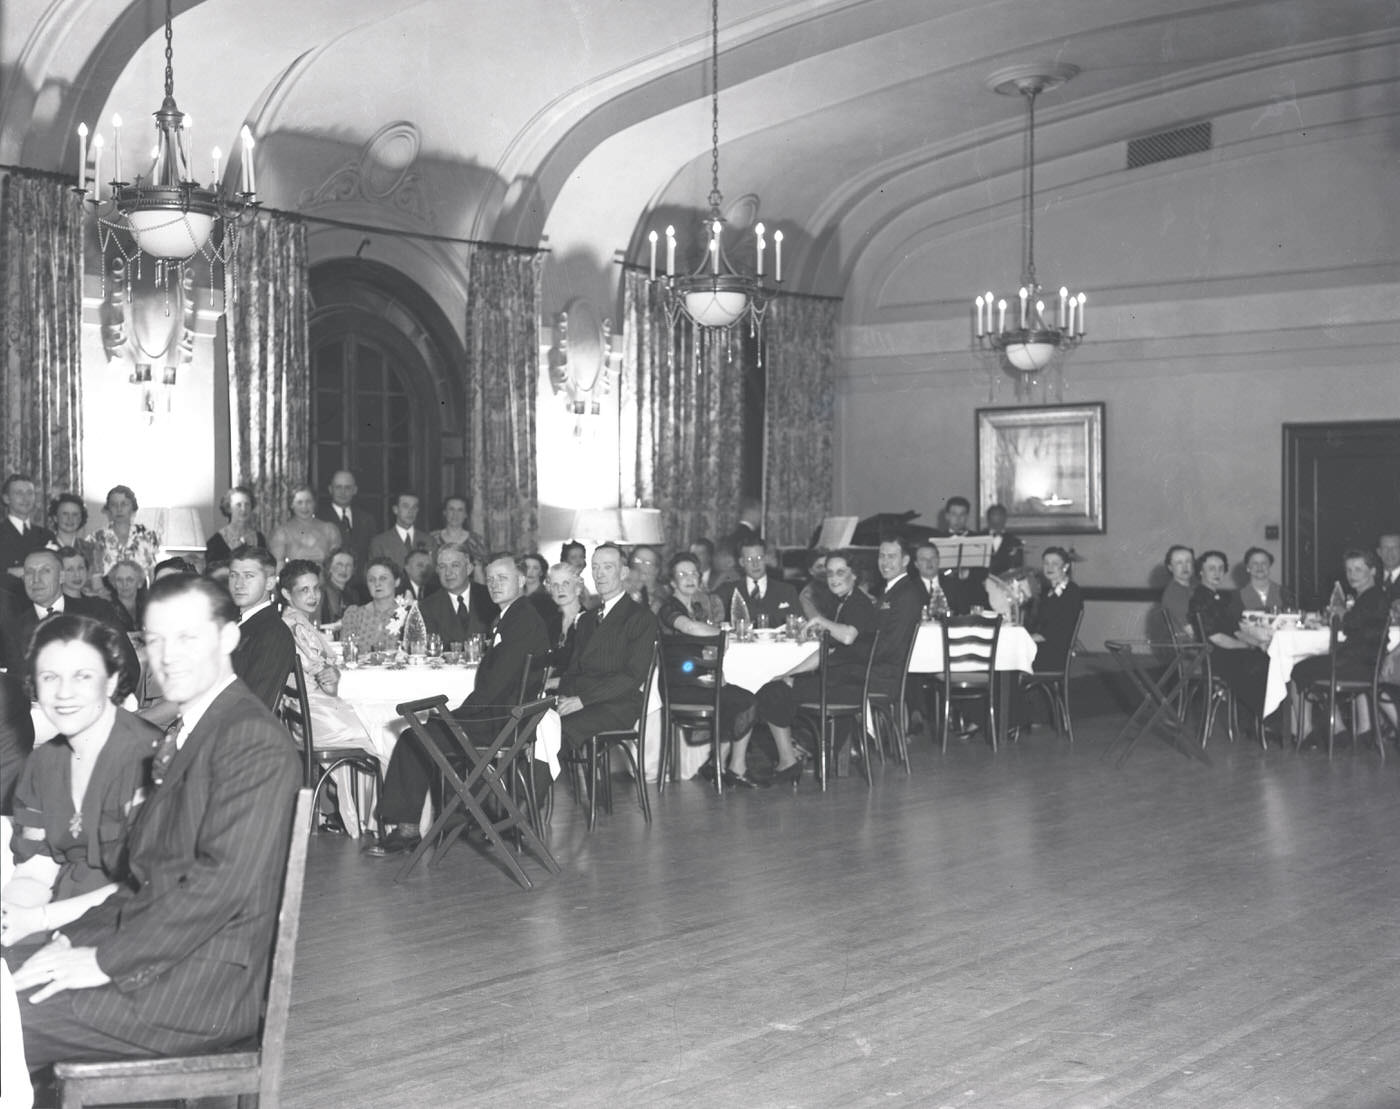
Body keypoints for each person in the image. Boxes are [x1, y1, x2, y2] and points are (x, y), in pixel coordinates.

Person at [12, 574, 301, 1068]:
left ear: (229, 637)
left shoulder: (251, 738)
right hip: (156, 958)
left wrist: (102, 960)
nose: (167, 655)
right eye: (155, 638)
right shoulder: (196, 729)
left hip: (196, 989)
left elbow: (218, 888)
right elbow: (144, 881)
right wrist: (70, 940)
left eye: (187, 636)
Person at [1, 616, 161, 949]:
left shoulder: (150, 761)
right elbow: (35, 870)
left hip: (149, 931)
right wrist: (9, 914)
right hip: (72, 922)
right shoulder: (43, 765)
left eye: (82, 676)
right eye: (49, 677)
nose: (63, 694)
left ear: (111, 680)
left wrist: (39, 920)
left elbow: (152, 886)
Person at [376, 554, 551, 853]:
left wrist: (456, 718)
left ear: (521, 580)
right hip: (503, 717)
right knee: (420, 732)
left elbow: (495, 687)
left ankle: (407, 830)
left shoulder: (521, 620)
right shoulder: (514, 615)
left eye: (503, 578)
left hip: (499, 723)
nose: (495, 585)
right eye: (491, 579)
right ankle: (439, 820)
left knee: (412, 738)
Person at [753, 552, 875, 785]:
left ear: (855, 575)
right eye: (829, 573)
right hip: (839, 680)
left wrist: (820, 621)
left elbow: (848, 636)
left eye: (841, 572)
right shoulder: (844, 602)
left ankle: (789, 760)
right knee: (775, 685)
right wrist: (790, 673)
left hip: (847, 687)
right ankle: (795, 752)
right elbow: (826, 652)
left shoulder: (858, 604)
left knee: (770, 691)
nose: (833, 578)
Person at [277, 560, 376, 836]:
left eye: (315, 589)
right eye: (304, 590)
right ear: (287, 594)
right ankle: (379, 819)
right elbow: (322, 676)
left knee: (374, 720)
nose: (313, 596)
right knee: (381, 731)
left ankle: (369, 814)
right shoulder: (293, 627)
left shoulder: (300, 623)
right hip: (313, 718)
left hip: (311, 711)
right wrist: (332, 673)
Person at [659, 553, 759, 787]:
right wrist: (725, 634)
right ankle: (730, 766)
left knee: (742, 697)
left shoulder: (696, 606)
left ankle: (720, 765)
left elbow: (703, 646)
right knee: (746, 701)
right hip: (678, 686)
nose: (690, 578)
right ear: (673, 582)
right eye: (682, 574)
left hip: (698, 679)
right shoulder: (668, 608)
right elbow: (690, 628)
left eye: (693, 573)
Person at [555, 544, 658, 758]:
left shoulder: (640, 618)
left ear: (623, 573)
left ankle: (519, 792)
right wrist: (564, 696)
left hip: (618, 704)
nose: (599, 574)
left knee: (557, 731)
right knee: (536, 724)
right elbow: (574, 669)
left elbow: (632, 676)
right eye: (595, 567)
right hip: (584, 699)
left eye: (607, 567)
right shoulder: (587, 619)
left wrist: (581, 700)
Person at [0, 551, 138, 694]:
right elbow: (16, 687)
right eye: (29, 573)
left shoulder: (97, 612)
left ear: (61, 576)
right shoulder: (14, 628)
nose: (36, 579)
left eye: (45, 571)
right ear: (23, 579)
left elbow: (128, 666)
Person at [1293, 549, 1391, 692]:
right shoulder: (1369, 596)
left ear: (1373, 571)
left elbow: (1352, 623)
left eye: (1358, 569)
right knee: (1311, 666)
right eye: (1349, 570)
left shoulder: (1373, 597)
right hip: (1365, 664)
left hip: (1357, 665)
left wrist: (1341, 612)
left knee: (1298, 670)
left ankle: (1309, 715)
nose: (1352, 575)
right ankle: (1332, 713)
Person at [227, 546, 297, 711]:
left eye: (248, 576)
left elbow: (255, 706)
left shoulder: (273, 634)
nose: (238, 584)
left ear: (270, 582)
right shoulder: (236, 624)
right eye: (233, 575)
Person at [419, 542, 498, 645]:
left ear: (469, 569)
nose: (448, 572)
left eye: (455, 565)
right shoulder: (427, 607)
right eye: (442, 567)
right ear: (437, 571)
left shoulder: (490, 598)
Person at [717, 541, 800, 629]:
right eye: (749, 559)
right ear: (741, 562)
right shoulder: (728, 592)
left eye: (759, 558)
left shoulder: (787, 591)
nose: (755, 564)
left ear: (766, 559)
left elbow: (800, 625)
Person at [1027, 547, 1084, 673]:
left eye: (1055, 563)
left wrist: (1031, 638)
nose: (1049, 567)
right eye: (1046, 563)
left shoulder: (1072, 592)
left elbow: (1060, 628)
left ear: (1065, 567)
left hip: (1054, 652)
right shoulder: (1047, 592)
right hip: (1041, 647)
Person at [90, 485, 160, 582]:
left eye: (124, 504)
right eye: (114, 505)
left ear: (133, 507)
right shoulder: (97, 537)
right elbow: (94, 575)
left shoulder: (147, 535)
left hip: (140, 592)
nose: (119, 509)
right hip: (107, 593)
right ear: (108, 509)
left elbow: (152, 573)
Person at [339, 556, 405, 652]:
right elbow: (346, 651)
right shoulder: (354, 614)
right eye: (371, 580)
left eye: (383, 578)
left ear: (397, 582)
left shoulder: (406, 614)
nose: (377, 583)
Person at [319, 470, 378, 572]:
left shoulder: (367, 519)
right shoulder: (320, 519)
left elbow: (371, 555)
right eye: (338, 487)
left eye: (347, 487)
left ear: (355, 490)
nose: (343, 492)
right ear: (330, 489)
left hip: (361, 584)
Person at [269, 484, 340, 567]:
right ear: (292, 505)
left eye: (308, 502)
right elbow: (277, 566)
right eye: (299, 502)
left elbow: (337, 565)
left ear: (314, 503)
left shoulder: (330, 530)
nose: (304, 506)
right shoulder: (281, 532)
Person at [1, 475, 55, 581]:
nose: (26, 498)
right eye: (19, 493)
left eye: (30, 493)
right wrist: (9, 572)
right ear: (6, 498)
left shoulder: (46, 535)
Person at [429, 495, 488, 582]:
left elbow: (479, 577)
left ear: (466, 514)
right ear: (444, 512)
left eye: (460, 510)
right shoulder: (432, 538)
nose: (455, 514)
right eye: (451, 509)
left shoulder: (475, 541)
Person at [205, 485, 266, 563]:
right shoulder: (215, 542)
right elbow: (212, 572)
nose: (243, 509)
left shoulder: (259, 538)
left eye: (247, 504)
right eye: (238, 505)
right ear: (229, 508)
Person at [542, 563, 586, 670]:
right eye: (555, 585)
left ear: (577, 588)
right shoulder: (550, 624)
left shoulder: (590, 622)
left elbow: (588, 669)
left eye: (565, 583)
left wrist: (555, 682)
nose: (560, 589)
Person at [369, 491, 429, 567]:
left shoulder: (429, 541)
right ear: (395, 509)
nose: (410, 512)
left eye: (414, 507)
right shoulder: (379, 543)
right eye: (405, 506)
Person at [913, 541, 975, 616]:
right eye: (923, 559)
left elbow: (964, 613)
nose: (929, 562)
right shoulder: (909, 588)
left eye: (933, 558)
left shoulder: (955, 585)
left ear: (939, 560)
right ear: (916, 564)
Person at [46, 494, 98, 581]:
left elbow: (96, 585)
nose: (70, 519)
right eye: (65, 514)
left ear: (81, 518)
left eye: (75, 514)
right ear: (55, 518)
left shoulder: (90, 549)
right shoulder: (45, 548)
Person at [318, 547, 366, 625]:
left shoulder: (354, 595)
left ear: (353, 570)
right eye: (339, 565)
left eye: (348, 565)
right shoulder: (320, 593)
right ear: (329, 568)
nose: (344, 570)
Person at [1238, 547, 1294, 612]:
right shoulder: (1239, 596)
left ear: (1269, 566)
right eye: (1255, 563)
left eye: (1264, 563)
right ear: (1248, 568)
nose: (1260, 567)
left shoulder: (1283, 593)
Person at [1160, 544, 1197, 638]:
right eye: (1179, 563)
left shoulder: (1194, 588)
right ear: (1170, 567)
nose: (1185, 567)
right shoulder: (1173, 594)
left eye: (1188, 561)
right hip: (1192, 648)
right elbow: (1192, 631)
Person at [104, 559, 146, 635]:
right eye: (119, 580)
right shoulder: (107, 610)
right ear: (114, 583)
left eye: (129, 579)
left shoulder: (147, 608)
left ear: (139, 583)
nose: (124, 584)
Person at [982, 504, 1024, 576]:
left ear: (1005, 518)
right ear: (988, 518)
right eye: (994, 515)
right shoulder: (979, 538)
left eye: (1000, 515)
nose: (997, 518)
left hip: (1005, 583)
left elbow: (1018, 568)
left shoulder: (1015, 542)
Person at [627, 545, 668, 612]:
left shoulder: (662, 596)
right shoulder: (622, 590)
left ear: (656, 569)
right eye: (638, 561)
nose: (642, 566)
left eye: (648, 562)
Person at [1377, 531, 1400, 604]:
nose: (1390, 552)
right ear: (1379, 552)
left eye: (1395, 547)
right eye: (1385, 548)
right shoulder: (1372, 578)